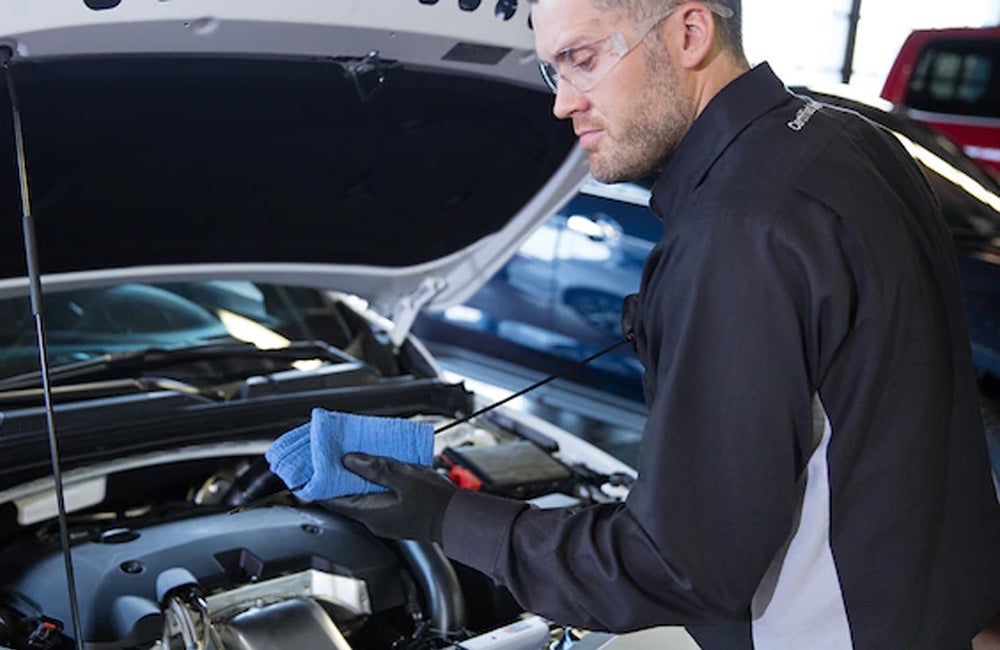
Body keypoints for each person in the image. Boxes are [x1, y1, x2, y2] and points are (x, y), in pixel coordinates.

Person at [316, 1, 1000, 647]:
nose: (562, 100)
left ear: (689, 34)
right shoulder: (852, 142)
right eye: (554, 69)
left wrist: (445, 516)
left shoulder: (738, 230)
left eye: (581, 58)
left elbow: (679, 567)